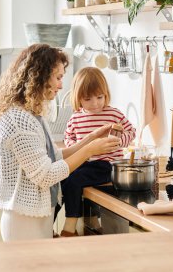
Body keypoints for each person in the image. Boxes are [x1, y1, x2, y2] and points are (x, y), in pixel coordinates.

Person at [0, 44, 120, 242]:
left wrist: (90, 138)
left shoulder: (31, 114)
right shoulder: (19, 120)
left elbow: (53, 157)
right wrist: (89, 151)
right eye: (58, 77)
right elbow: (46, 175)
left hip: (34, 218)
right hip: (24, 223)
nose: (61, 85)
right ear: (39, 77)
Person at [60, 66, 136, 237]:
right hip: (84, 163)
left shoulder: (113, 114)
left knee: (74, 180)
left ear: (106, 94)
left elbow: (131, 131)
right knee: (63, 180)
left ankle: (70, 224)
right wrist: (77, 145)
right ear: (78, 99)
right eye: (88, 99)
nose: (95, 103)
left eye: (99, 97)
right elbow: (68, 138)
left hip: (106, 166)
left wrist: (118, 143)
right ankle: (63, 221)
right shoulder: (76, 117)